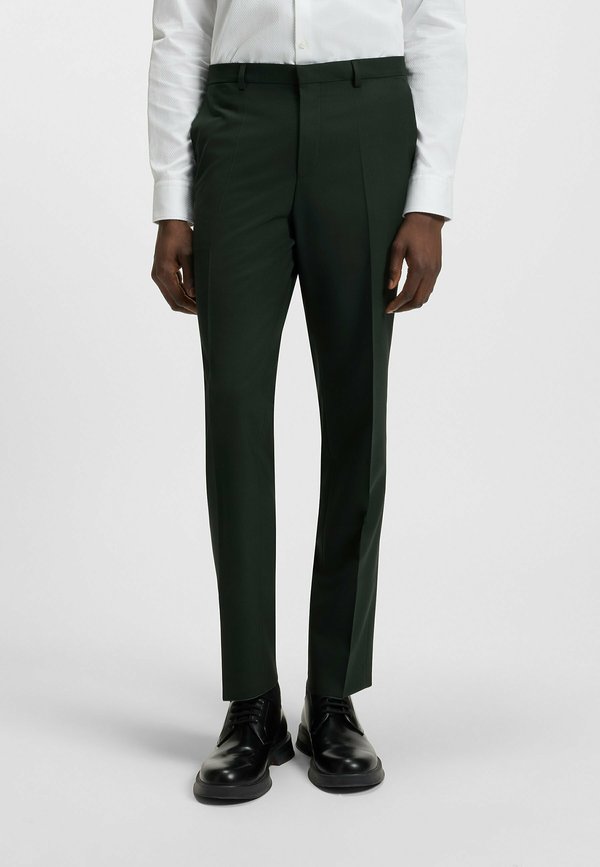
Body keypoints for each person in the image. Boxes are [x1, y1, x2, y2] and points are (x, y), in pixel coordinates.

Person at [147, 0, 467, 801]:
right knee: (234, 409)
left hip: (367, 115)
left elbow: (436, 21)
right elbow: (180, 25)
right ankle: (251, 701)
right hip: (239, 119)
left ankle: (333, 696)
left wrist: (429, 195)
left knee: (358, 410)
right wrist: (170, 200)